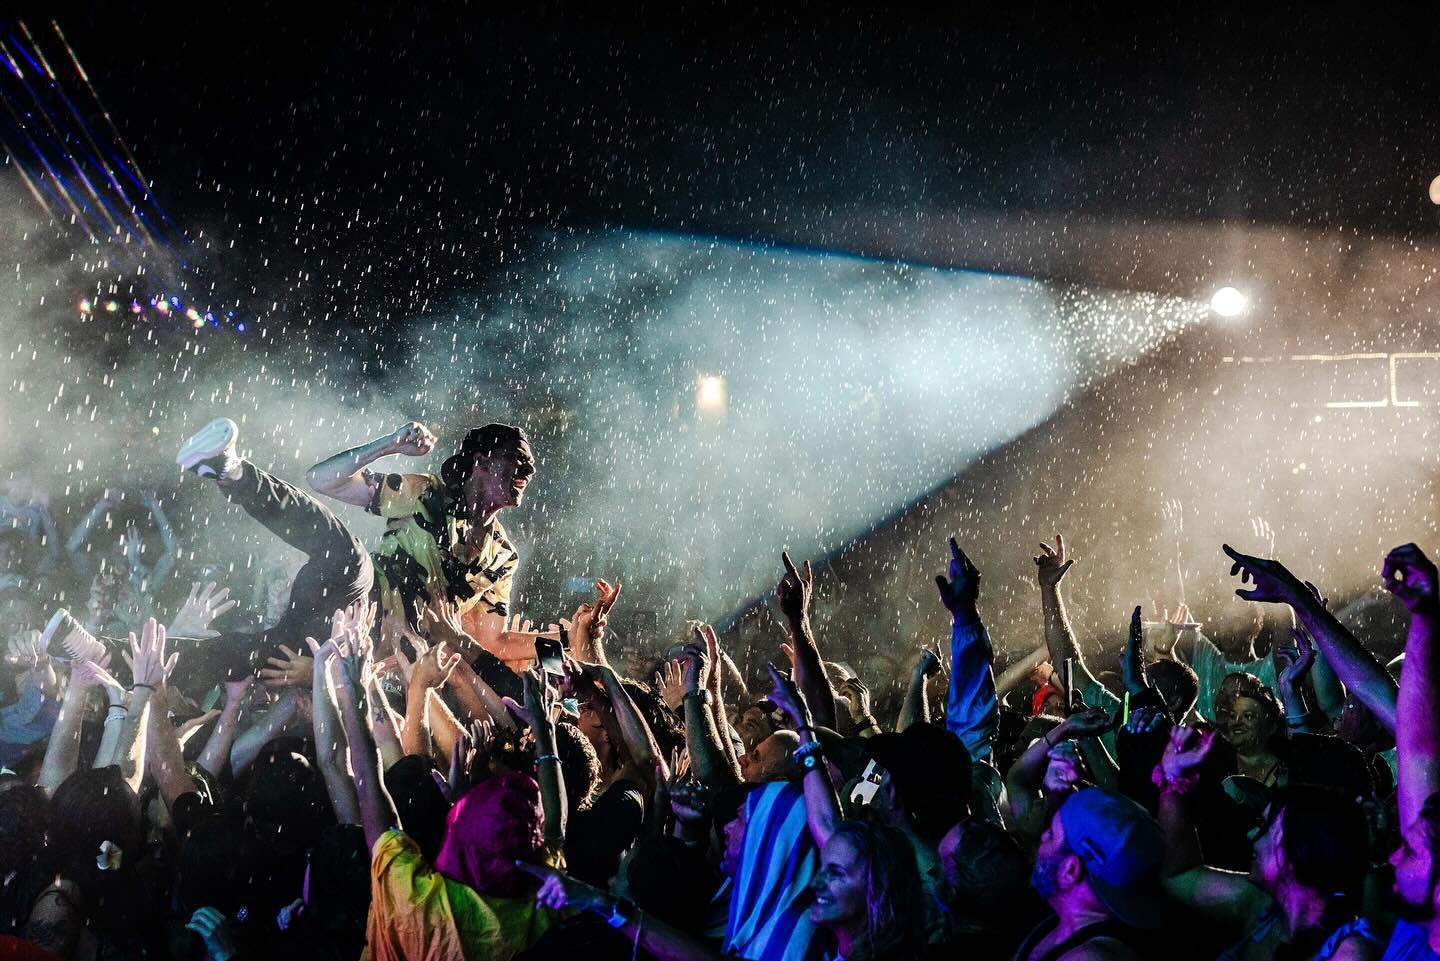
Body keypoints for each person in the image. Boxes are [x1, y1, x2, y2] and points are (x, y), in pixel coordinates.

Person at [1017, 787, 1164, 961]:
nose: (1042, 836)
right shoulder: (1063, 921)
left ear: (1069, 871)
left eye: (1051, 835)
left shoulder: (1089, 957)